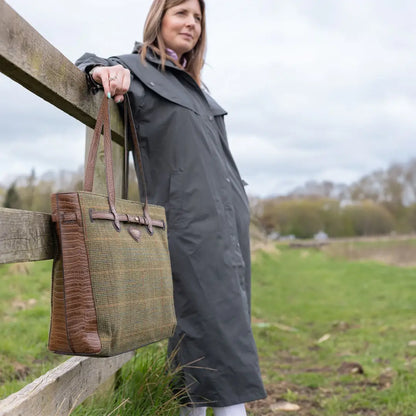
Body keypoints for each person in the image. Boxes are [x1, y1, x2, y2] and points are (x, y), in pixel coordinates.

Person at [76, 0, 266, 414]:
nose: (191, 23)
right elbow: (90, 64)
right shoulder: (136, 70)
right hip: (186, 225)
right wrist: (101, 72)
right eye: (181, 13)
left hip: (228, 223)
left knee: (225, 326)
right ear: (158, 19)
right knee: (205, 330)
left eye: (198, 17)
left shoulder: (196, 87)